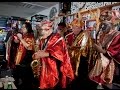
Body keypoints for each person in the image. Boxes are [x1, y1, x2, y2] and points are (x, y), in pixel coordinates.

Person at [32, 20, 74, 89]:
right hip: (47, 68)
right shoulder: (46, 38)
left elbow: (60, 54)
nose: (41, 34)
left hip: (55, 70)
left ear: (48, 30)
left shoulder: (57, 38)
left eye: (41, 31)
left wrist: (44, 54)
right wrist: (38, 54)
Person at [65, 18, 95, 89]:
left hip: (82, 60)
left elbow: (83, 49)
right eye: (73, 27)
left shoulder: (85, 35)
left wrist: (69, 47)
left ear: (81, 27)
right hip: (72, 59)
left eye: (77, 27)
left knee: (80, 77)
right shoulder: (69, 35)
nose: (75, 29)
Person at [89, 20, 120, 87]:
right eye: (102, 25)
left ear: (111, 24)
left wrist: (102, 51)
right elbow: (97, 42)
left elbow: (115, 52)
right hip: (100, 61)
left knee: (108, 82)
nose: (102, 27)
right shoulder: (102, 33)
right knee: (99, 82)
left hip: (111, 64)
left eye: (105, 25)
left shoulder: (117, 35)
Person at [13, 22, 35, 89]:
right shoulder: (24, 35)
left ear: (27, 28)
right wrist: (17, 40)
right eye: (21, 27)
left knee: (26, 79)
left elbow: (29, 47)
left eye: (23, 27)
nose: (21, 29)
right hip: (22, 60)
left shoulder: (30, 36)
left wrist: (21, 38)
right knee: (22, 77)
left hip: (26, 60)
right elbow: (18, 43)